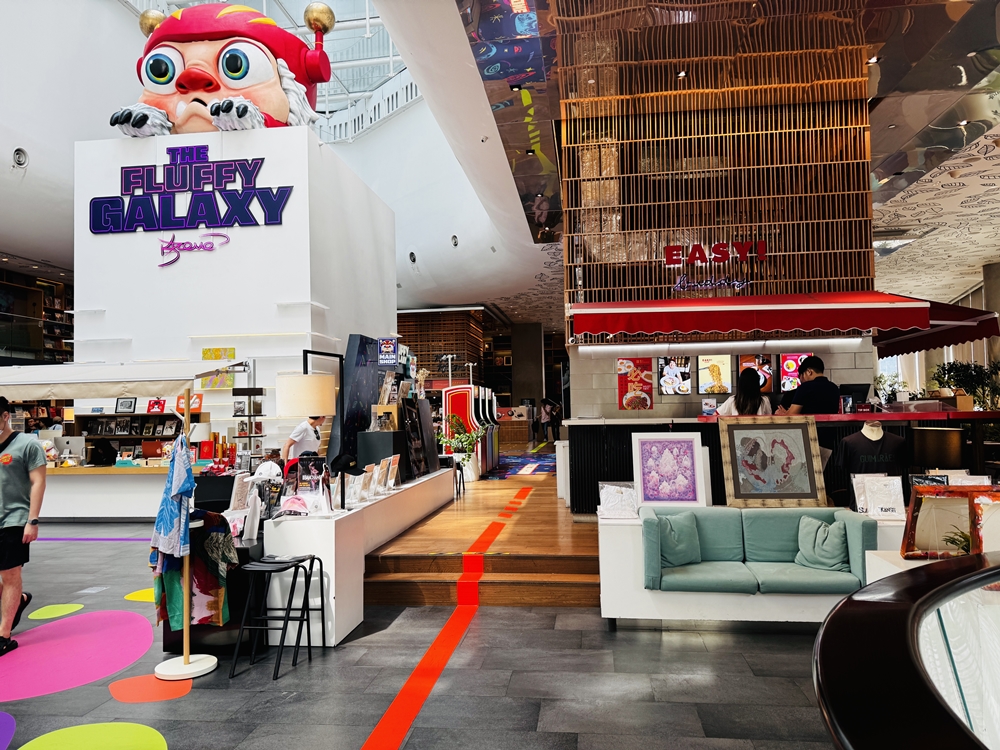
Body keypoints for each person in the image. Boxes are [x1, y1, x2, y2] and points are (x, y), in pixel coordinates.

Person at [0, 396, 47, 657]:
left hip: (14, 519)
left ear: (5, 416)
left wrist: (32, 520)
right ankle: (18, 600)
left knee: (10, 575)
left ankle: (3, 636)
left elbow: (38, 482)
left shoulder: (28, 444)